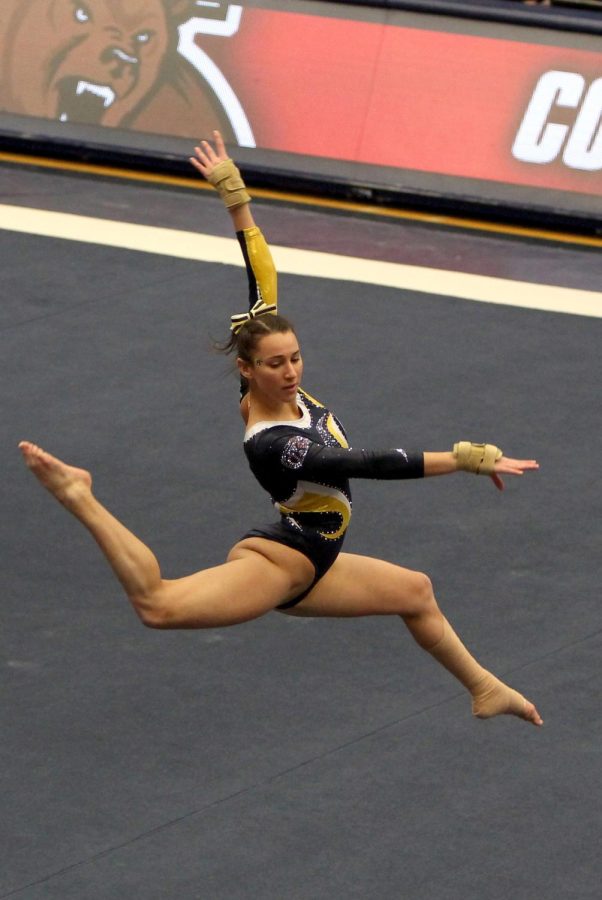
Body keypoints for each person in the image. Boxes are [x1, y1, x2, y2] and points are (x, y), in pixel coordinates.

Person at [19, 131, 543, 727]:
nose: (290, 371)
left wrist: (234, 196)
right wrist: (466, 457)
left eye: (294, 358)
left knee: (415, 591)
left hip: (319, 557)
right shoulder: (275, 441)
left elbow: (263, 276)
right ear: (247, 371)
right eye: (274, 364)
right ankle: (80, 495)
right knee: (157, 605)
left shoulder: (280, 380)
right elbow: (364, 464)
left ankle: (485, 688)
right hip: (285, 561)